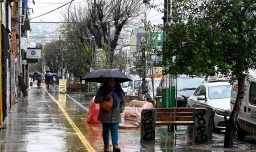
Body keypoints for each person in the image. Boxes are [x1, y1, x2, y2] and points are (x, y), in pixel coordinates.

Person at [95, 78, 125, 152]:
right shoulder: (102, 89)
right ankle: (106, 146)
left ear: (116, 81)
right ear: (107, 81)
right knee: (105, 131)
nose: (112, 82)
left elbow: (123, 102)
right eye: (110, 80)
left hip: (116, 114)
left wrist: (121, 109)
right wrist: (104, 97)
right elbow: (96, 100)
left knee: (114, 130)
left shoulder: (119, 91)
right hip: (105, 114)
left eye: (114, 80)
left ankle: (115, 146)